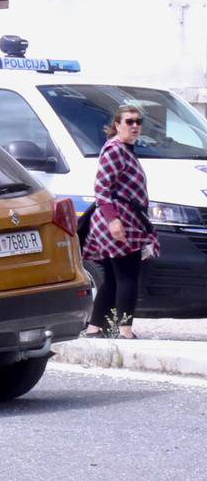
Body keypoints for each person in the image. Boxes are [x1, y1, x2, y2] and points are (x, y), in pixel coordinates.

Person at [83, 104, 158, 339]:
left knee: (115, 277)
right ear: (117, 125)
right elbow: (102, 189)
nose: (135, 126)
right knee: (128, 275)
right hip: (119, 221)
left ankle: (95, 327)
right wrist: (113, 221)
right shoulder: (115, 150)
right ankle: (125, 330)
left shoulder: (125, 149)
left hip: (128, 219)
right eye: (129, 121)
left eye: (138, 122)